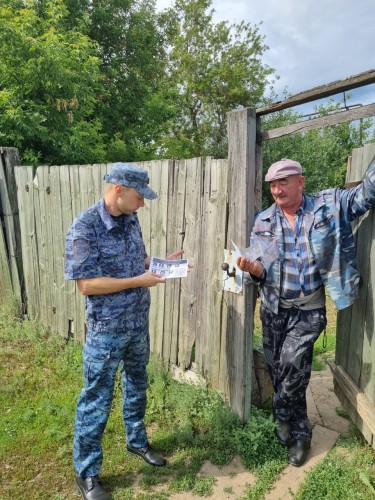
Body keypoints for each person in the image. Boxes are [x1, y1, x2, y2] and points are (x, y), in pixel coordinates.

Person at [237, 157, 375, 467]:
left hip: (309, 309)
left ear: (301, 181)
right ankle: (286, 413)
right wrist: (250, 267)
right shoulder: (264, 221)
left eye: (283, 181)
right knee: (280, 371)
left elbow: (367, 193)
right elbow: (262, 270)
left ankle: (297, 430)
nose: (277, 189)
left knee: (292, 365)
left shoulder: (329, 205)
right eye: (272, 184)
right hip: (273, 309)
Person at [65, 162, 184, 500]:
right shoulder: (85, 227)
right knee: (95, 399)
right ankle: (87, 473)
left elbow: (138, 260)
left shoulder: (130, 218)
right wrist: (138, 281)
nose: (142, 203)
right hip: (106, 330)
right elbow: (86, 285)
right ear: (118, 190)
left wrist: (162, 264)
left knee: (137, 384)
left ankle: (136, 441)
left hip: (137, 324)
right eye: (139, 197)